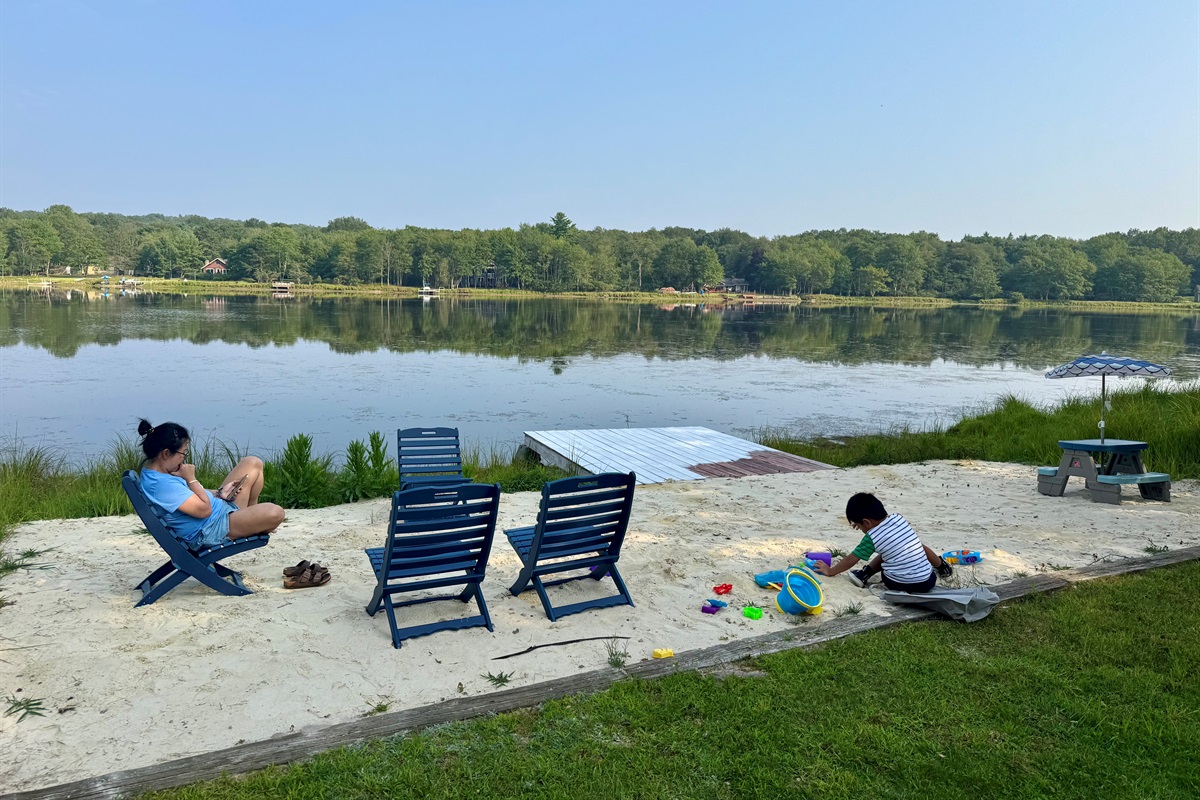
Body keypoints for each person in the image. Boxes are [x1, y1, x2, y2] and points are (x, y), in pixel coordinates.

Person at [136, 418, 285, 551]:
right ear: (166, 453)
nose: (184, 459)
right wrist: (191, 478)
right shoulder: (161, 485)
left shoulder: (160, 474)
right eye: (183, 453)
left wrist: (219, 493)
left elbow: (186, 496)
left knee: (252, 463)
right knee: (276, 513)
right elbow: (204, 511)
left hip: (220, 513)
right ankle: (255, 522)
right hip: (211, 528)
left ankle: (253, 521)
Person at [812, 492, 953, 592]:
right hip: (928, 581)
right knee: (914, 546)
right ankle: (942, 567)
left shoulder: (872, 537)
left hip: (900, 584)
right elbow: (893, 539)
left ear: (866, 522)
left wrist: (830, 571)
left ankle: (865, 574)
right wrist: (861, 523)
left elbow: (852, 559)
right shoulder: (898, 518)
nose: (859, 529)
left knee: (886, 555)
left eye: (858, 525)